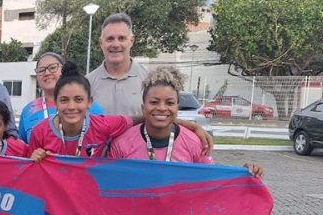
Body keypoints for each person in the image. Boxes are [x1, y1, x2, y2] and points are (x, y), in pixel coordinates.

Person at [28, 67, 211, 160]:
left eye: (78, 99)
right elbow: (26, 170)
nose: (71, 106)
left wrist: (189, 125)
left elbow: (145, 117)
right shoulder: (40, 132)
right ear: (56, 103)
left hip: (89, 205)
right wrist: (33, 158)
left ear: (90, 102)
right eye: (64, 100)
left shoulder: (104, 125)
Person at [110, 67, 264, 176]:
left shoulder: (194, 143)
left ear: (177, 108)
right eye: (154, 102)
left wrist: (242, 175)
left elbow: (211, 179)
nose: (162, 108)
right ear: (143, 108)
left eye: (170, 103)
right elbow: (109, 184)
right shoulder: (122, 144)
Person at [18, 52, 104, 142]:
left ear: (63, 70)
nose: (46, 73)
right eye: (41, 70)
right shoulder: (28, 110)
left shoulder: (91, 107)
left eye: (52, 67)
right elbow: (24, 148)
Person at [85, 13, 149, 116]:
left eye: (121, 38)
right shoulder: (87, 84)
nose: (115, 44)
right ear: (101, 43)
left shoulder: (149, 80)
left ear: (131, 41)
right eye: (110, 39)